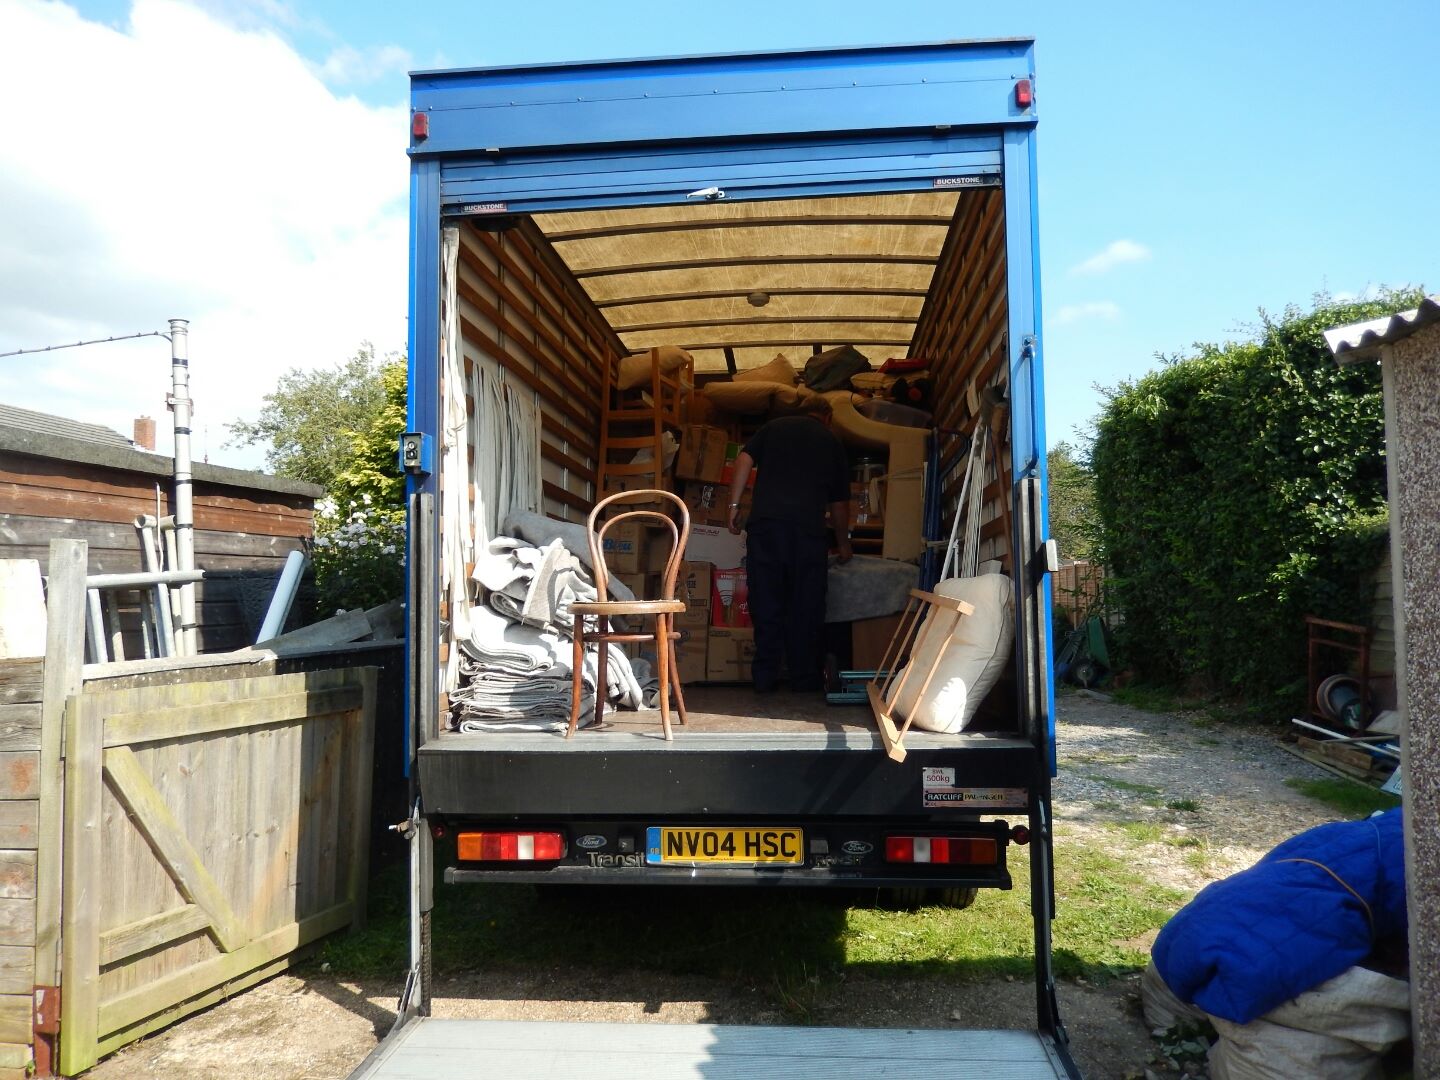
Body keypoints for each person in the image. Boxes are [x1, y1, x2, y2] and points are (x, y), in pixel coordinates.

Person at [727, 404, 851, 692]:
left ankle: (764, 677)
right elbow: (839, 504)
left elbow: (744, 458)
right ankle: (803, 679)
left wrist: (733, 505)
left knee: (766, 600)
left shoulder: (773, 427)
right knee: (805, 604)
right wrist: (843, 543)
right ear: (828, 418)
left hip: (766, 527)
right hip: (808, 532)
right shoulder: (831, 440)